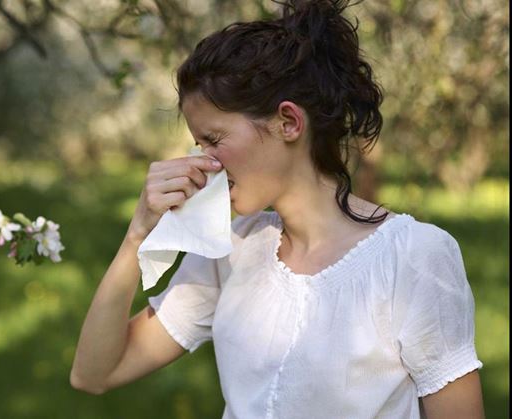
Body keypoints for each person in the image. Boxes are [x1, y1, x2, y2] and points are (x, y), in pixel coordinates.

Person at [70, 0, 485, 417]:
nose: (205, 164)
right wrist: (138, 234)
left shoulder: (412, 256)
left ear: (288, 122)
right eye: (199, 146)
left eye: (214, 140)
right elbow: (93, 374)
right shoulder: (232, 248)